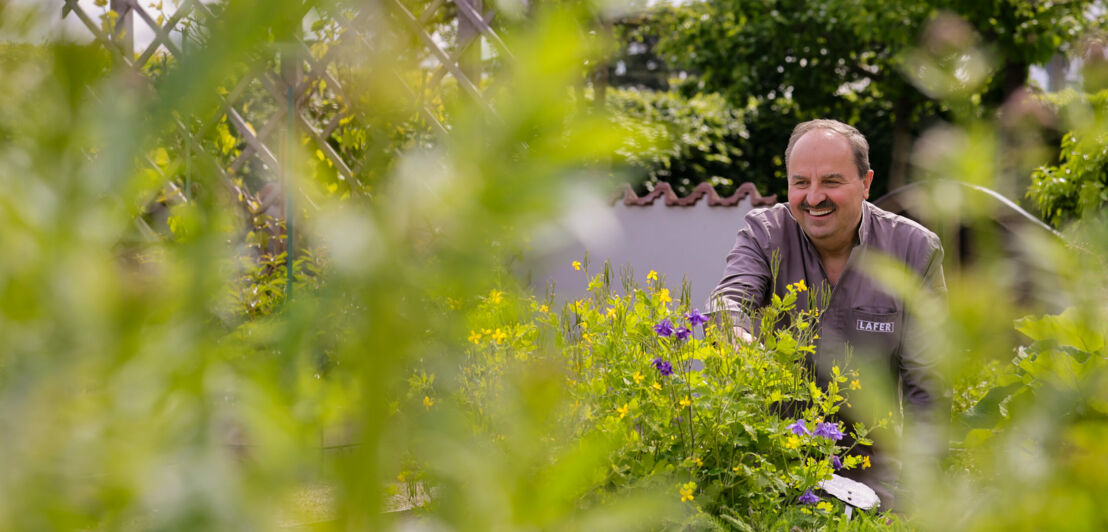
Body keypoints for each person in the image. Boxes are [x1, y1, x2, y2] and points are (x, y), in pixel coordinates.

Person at [707, 119, 947, 510]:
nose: (813, 197)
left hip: (878, 485)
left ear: (866, 182)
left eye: (831, 182)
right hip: (775, 473)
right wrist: (734, 331)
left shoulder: (914, 250)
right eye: (801, 182)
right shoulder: (765, 234)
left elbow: (929, 387)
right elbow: (730, 300)